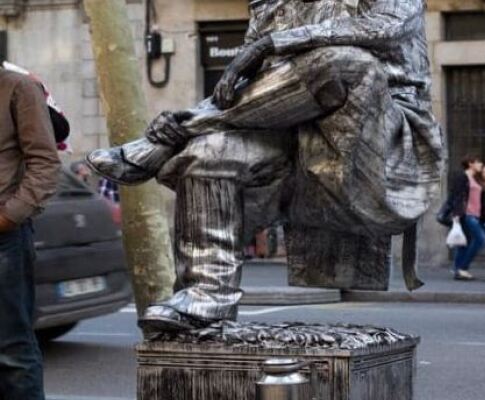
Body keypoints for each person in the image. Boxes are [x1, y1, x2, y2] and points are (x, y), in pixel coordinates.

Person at [86, 0, 443, 331]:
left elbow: (384, 26)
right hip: (294, 148)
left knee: (343, 62)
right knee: (208, 153)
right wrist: (219, 94)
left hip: (382, 156)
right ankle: (206, 298)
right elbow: (251, 85)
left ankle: (178, 132)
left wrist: (272, 43)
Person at [0, 65, 61, 399]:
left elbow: (44, 162)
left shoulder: (17, 87)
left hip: (4, 241)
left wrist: (9, 217)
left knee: (12, 351)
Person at [449, 155, 485, 281]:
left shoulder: (475, 178)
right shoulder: (462, 177)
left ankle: (458, 270)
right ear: (470, 164)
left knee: (465, 244)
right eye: (478, 162)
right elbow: (457, 196)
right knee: (481, 239)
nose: (481, 165)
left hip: (475, 214)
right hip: (467, 214)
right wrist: (456, 215)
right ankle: (463, 268)